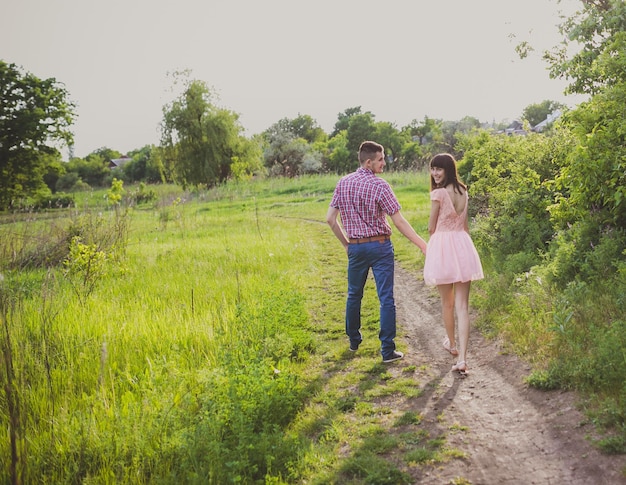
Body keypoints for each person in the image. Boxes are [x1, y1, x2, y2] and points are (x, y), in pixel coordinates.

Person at [326, 140, 427, 363]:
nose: (384, 163)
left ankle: (353, 341)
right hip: (380, 246)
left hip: (355, 247)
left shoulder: (342, 183)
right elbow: (399, 221)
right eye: (381, 159)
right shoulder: (381, 186)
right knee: (386, 298)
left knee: (354, 294)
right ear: (369, 162)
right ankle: (387, 350)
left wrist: (346, 244)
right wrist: (422, 244)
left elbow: (330, 219)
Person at [423, 153, 484, 375]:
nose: (435, 173)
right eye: (433, 169)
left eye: (439, 169)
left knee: (447, 303)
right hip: (462, 244)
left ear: (448, 169)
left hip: (444, 245)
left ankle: (453, 344)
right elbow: (465, 225)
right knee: (462, 306)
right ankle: (463, 359)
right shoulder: (463, 191)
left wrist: (432, 247)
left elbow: (431, 227)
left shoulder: (438, 193)